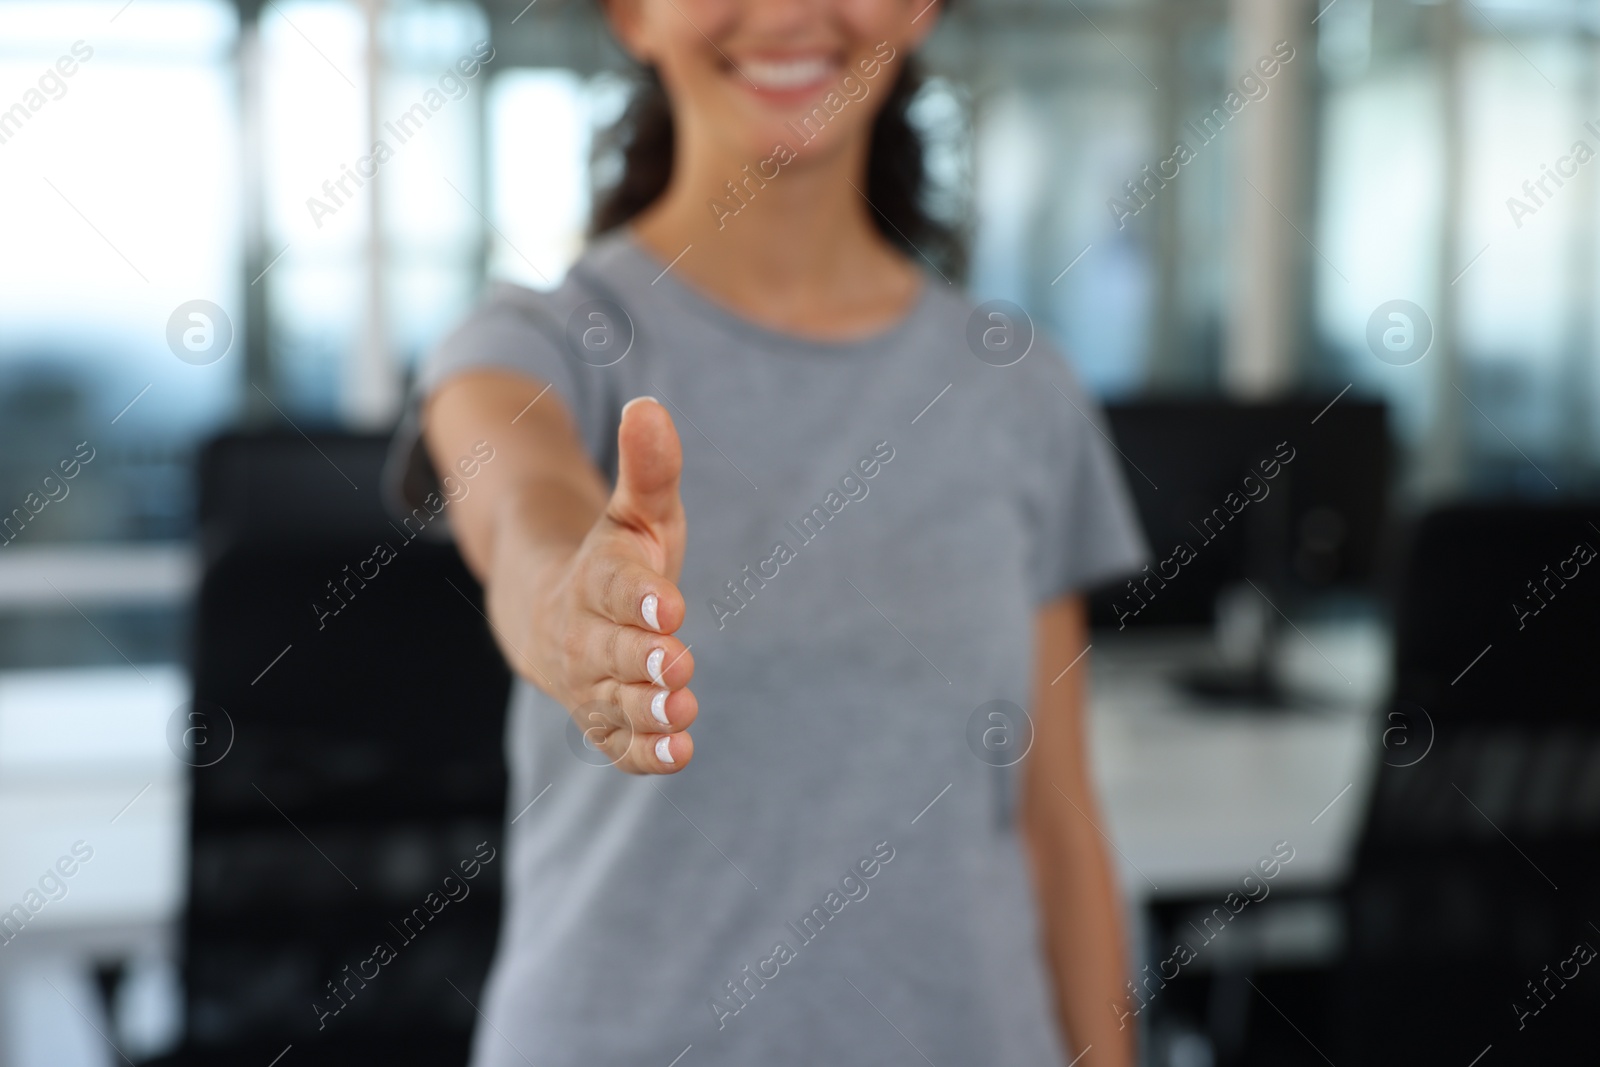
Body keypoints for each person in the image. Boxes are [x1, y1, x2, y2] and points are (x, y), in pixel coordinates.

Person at [400, 0, 1149, 1061]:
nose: (791, 10)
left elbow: (1057, 819)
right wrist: (568, 604)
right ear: (631, 14)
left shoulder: (1017, 386)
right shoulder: (529, 344)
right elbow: (519, 503)